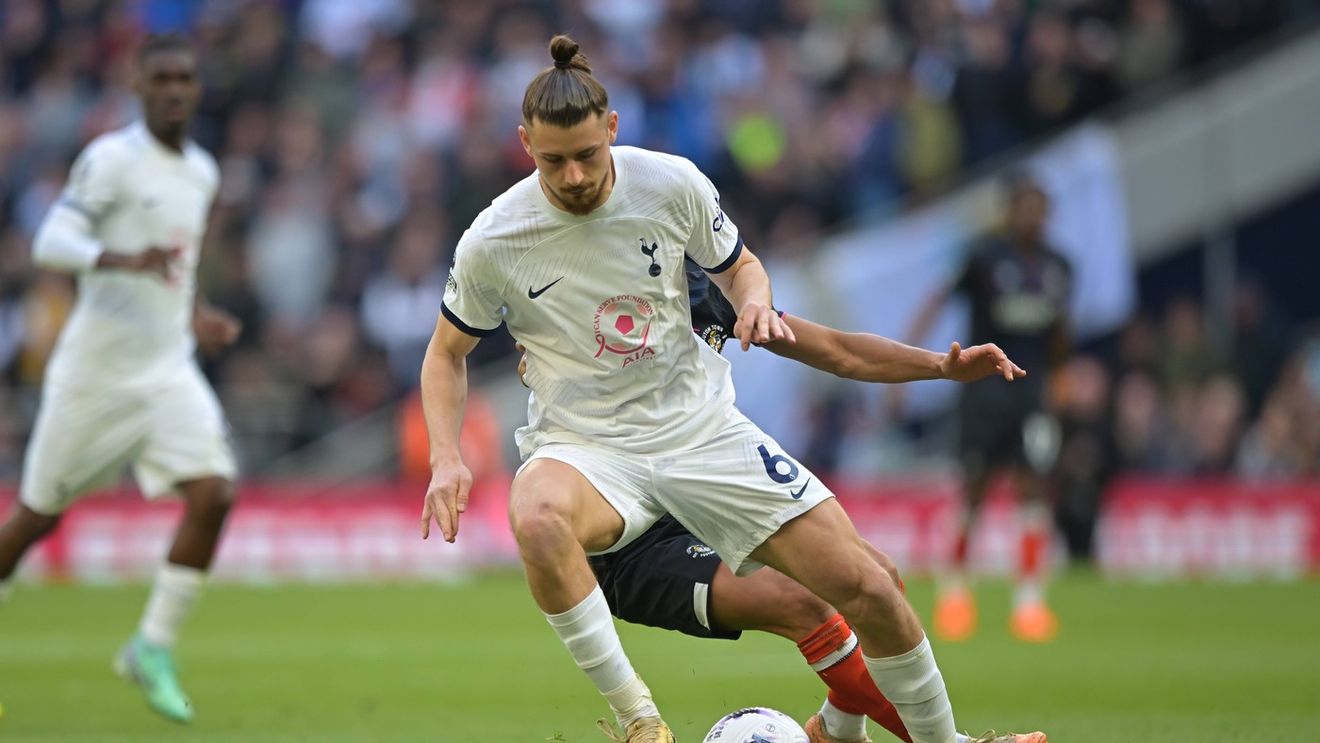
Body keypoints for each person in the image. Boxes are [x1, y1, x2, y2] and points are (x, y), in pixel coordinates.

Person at [420, 36, 1047, 743]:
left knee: (874, 581)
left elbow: (821, 337)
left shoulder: (675, 205)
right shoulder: (495, 239)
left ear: (614, 132)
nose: (571, 176)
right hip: (593, 463)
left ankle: (866, 735)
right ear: (524, 143)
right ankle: (641, 722)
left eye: (587, 156)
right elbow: (446, 353)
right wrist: (447, 454)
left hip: (700, 441)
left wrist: (936, 364)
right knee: (536, 513)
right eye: (551, 160)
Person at [523, 258, 1037, 743]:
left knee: (875, 575)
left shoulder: (700, 289)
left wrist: (941, 368)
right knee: (805, 603)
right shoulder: (587, 292)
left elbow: (837, 348)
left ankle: (836, 729)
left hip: (701, 491)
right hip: (630, 537)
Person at [0, 35, 240, 724]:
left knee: (215, 492)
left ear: (196, 88)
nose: (173, 90)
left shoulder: (201, 170)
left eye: (184, 79)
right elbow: (51, 241)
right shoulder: (110, 160)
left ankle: (151, 644)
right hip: (94, 376)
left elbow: (178, 266)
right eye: (160, 78)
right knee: (34, 520)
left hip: (166, 369)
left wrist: (194, 316)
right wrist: (120, 257)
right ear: (137, 85)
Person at [904, 176, 1072, 643]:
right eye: (1025, 207)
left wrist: (1060, 382)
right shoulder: (984, 257)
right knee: (974, 489)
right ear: (1010, 210)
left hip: (1031, 395)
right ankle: (955, 593)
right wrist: (913, 359)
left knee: (1033, 487)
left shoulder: (1060, 267)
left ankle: (1030, 603)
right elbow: (938, 299)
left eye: (1040, 208)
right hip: (983, 393)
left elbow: (1061, 332)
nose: (1032, 217)